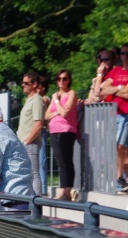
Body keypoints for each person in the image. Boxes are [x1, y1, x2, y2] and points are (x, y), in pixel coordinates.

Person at [44, 70, 78, 200]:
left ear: (69, 80)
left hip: (66, 130)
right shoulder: (55, 95)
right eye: (59, 79)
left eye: (64, 78)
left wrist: (57, 102)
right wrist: (57, 112)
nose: (61, 81)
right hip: (54, 131)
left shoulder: (71, 94)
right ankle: (63, 190)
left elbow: (65, 113)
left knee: (66, 160)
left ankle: (66, 191)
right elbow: (46, 115)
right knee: (60, 161)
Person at [100, 44, 128, 192]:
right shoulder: (115, 71)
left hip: (126, 114)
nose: (125, 56)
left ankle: (119, 177)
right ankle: (123, 178)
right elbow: (103, 90)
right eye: (123, 53)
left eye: (127, 53)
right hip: (113, 113)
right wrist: (120, 88)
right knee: (117, 147)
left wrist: (115, 89)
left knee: (119, 145)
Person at [17, 71, 44, 197]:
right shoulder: (29, 100)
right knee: (28, 173)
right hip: (25, 143)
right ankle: (31, 201)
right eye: (22, 83)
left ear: (34, 84)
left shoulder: (37, 100)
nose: (23, 85)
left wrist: (26, 141)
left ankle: (37, 204)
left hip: (30, 143)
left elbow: (38, 124)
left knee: (34, 174)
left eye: (26, 83)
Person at [38, 75, 50, 196]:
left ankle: (43, 189)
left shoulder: (44, 99)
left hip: (41, 130)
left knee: (41, 160)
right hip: (36, 131)